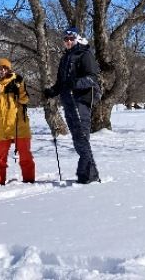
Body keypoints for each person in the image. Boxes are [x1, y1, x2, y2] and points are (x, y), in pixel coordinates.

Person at [43, 27, 102, 184]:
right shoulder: (65, 58)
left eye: (71, 38)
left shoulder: (84, 54)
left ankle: (87, 174)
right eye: (66, 39)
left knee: (82, 136)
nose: (68, 41)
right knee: (77, 139)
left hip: (82, 100)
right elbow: (62, 83)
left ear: (77, 39)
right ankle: (90, 172)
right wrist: (52, 91)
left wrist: (75, 83)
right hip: (68, 101)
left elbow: (92, 78)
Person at [0, 58, 35, 185]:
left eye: (5, 68)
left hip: (19, 125)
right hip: (1, 127)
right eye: (0, 68)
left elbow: (24, 100)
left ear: (9, 69)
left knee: (25, 156)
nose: (2, 70)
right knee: (0, 158)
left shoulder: (17, 81)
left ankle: (29, 180)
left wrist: (20, 86)